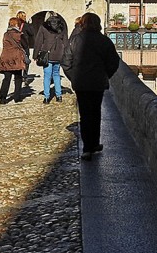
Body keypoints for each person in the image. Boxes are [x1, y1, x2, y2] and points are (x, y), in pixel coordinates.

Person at [61, 12, 120, 160]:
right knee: (95, 113)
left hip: (81, 83)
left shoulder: (74, 41)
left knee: (85, 114)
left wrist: (74, 77)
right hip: (97, 83)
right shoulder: (105, 41)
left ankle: (88, 147)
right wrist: (105, 75)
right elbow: (114, 62)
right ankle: (93, 143)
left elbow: (66, 63)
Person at [33, 11, 69, 104]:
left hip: (47, 55)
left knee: (47, 76)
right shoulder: (62, 26)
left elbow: (38, 41)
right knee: (56, 74)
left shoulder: (43, 27)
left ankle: (46, 97)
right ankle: (59, 95)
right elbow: (65, 42)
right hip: (59, 54)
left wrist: (35, 54)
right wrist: (66, 54)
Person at [0, 17, 27, 104]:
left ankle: (2, 97)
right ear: (17, 24)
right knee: (18, 78)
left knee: (7, 78)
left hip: (6, 57)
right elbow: (25, 45)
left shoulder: (6, 34)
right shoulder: (19, 34)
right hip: (16, 58)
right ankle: (17, 97)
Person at [16, 10, 34, 84]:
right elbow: (31, 33)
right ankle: (25, 76)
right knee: (26, 61)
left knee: (18, 60)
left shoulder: (14, 24)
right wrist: (30, 24)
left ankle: (18, 75)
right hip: (24, 45)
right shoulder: (25, 25)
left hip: (16, 45)